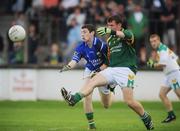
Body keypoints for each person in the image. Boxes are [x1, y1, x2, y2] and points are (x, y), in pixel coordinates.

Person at [61, 15, 154, 130]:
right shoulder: (109, 40)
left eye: (112, 25)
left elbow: (126, 35)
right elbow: (107, 59)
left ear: (119, 25)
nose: (109, 27)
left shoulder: (127, 33)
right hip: (112, 69)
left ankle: (145, 117)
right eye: (108, 25)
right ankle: (74, 98)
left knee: (129, 102)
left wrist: (110, 31)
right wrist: (99, 70)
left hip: (126, 70)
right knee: (92, 81)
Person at [60, 24, 113, 129]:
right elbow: (74, 60)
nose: (82, 35)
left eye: (85, 32)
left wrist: (98, 71)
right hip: (90, 69)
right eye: (81, 32)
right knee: (87, 94)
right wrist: (68, 66)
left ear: (92, 33)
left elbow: (108, 60)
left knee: (106, 105)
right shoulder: (81, 46)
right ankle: (91, 125)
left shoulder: (99, 44)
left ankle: (110, 91)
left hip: (103, 69)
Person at [147, 34, 180, 123]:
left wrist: (152, 64)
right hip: (169, 74)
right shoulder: (162, 49)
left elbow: (163, 64)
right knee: (162, 94)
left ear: (159, 40)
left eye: (154, 41)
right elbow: (176, 58)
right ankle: (171, 115)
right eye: (151, 42)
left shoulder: (162, 50)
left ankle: (171, 115)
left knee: (179, 94)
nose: (153, 43)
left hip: (173, 74)